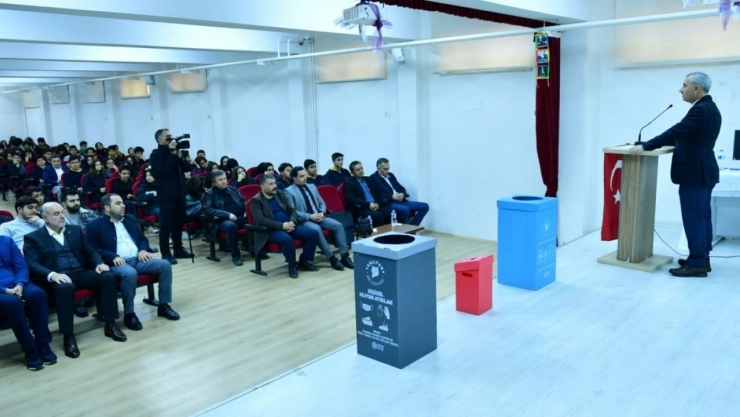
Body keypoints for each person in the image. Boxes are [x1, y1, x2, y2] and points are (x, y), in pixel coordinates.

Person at [629, 72, 721, 278]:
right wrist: (647, 143)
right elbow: (687, 136)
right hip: (703, 172)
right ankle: (702, 259)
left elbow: (677, 131)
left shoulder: (701, 109)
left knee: (694, 219)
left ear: (696, 88)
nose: (681, 89)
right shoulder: (709, 108)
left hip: (695, 174)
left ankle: (697, 264)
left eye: (684, 85)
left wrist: (647, 146)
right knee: (702, 217)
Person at [24, 202, 127, 359]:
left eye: (62, 212)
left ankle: (110, 324)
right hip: (58, 276)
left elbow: (90, 251)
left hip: (80, 272)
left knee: (107, 277)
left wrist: (99, 263)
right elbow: (32, 263)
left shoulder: (75, 230)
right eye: (56, 214)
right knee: (65, 288)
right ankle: (68, 336)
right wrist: (52, 275)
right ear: (44, 218)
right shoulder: (34, 238)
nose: (61, 216)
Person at [85, 194, 180, 331]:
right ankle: (129, 314)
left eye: (122, 202)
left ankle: (164, 305)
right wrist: (112, 256)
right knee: (129, 274)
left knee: (164, 265)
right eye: (118, 203)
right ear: (107, 208)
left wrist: (142, 249)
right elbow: (92, 249)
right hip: (115, 264)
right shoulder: (94, 225)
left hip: (137, 259)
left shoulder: (129, 219)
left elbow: (142, 239)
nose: (123, 205)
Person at [0, 235, 57, 371]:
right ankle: (29, 349)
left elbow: (21, 266)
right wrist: (4, 290)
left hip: (17, 282)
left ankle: (43, 343)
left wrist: (20, 284)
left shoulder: (6, 240)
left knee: (37, 294)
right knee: (13, 303)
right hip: (2, 289)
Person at [249, 175, 320, 278]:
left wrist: (292, 221)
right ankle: (292, 267)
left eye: (275, 183)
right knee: (287, 239)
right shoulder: (256, 200)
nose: (274, 186)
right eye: (271, 184)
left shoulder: (280, 194)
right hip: (270, 230)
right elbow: (261, 220)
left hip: (289, 225)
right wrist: (281, 226)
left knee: (313, 234)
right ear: (262, 186)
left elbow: (292, 210)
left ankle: (304, 261)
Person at [285, 166, 354, 271]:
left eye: (305, 175)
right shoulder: (289, 191)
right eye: (301, 176)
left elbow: (321, 202)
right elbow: (292, 211)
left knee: (338, 225)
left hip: (318, 216)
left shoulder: (312, 186)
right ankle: (332, 258)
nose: (305, 178)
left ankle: (345, 256)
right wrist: (310, 216)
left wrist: (322, 212)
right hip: (304, 220)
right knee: (316, 229)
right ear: (294, 178)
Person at [149, 128, 193, 264]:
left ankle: (178, 249)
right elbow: (165, 170)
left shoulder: (174, 152)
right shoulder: (155, 155)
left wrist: (179, 156)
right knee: (166, 225)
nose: (171, 139)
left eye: (171, 136)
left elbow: (187, 168)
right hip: (166, 195)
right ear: (159, 140)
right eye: (167, 137)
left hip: (179, 193)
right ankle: (166, 253)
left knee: (178, 224)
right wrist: (173, 155)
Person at [204, 170, 249, 266]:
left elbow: (243, 200)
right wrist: (227, 214)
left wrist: (246, 209)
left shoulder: (232, 189)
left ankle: (254, 249)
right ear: (214, 183)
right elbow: (208, 209)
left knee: (254, 220)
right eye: (220, 180)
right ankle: (236, 256)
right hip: (222, 220)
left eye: (225, 179)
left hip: (240, 217)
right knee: (230, 226)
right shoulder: (209, 193)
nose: (224, 181)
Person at [370, 158, 430, 226]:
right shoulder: (373, 178)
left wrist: (402, 194)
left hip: (401, 200)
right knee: (405, 209)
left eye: (388, 168)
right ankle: (402, 230)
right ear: (378, 168)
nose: (387, 171)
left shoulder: (391, 175)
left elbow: (401, 187)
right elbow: (377, 195)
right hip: (388, 203)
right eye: (385, 169)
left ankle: (412, 227)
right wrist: (392, 197)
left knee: (425, 206)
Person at [343, 161, 391, 226]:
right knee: (378, 215)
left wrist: (377, 204)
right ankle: (379, 232)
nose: (361, 171)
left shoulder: (368, 179)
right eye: (357, 170)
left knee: (389, 211)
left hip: (374, 205)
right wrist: (369, 205)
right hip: (362, 208)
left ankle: (389, 231)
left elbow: (377, 193)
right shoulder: (349, 183)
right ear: (352, 173)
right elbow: (351, 199)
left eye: (361, 168)